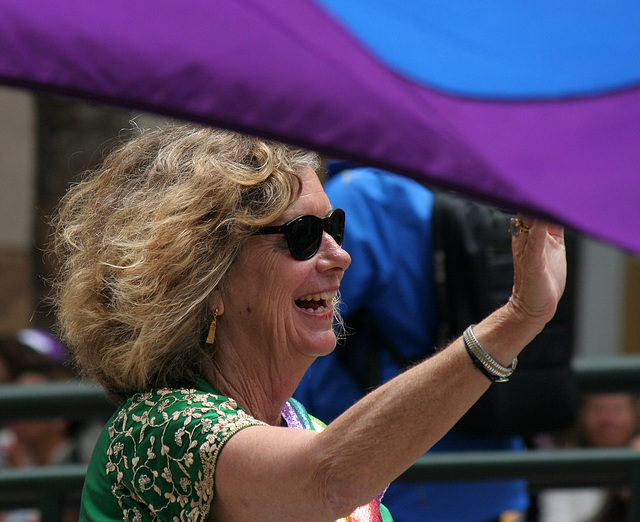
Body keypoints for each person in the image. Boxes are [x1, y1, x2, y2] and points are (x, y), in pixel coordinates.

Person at [51, 124, 566, 521]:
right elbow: (326, 479)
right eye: (302, 235)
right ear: (208, 281)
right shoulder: (155, 430)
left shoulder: (310, 429)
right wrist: (517, 318)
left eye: (334, 226)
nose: (339, 255)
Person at [294, 165, 530, 521]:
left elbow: (308, 319)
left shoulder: (356, 198)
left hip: (407, 481)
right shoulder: (456, 186)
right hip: (497, 475)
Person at [537, 393, 640, 522]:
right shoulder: (563, 463)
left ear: (636, 412)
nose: (607, 419)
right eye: (597, 409)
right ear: (581, 414)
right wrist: (616, 498)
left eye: (617, 408)